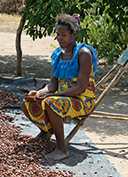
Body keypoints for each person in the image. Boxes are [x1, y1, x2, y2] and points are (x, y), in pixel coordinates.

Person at [21, 14, 98, 161]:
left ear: (74, 34)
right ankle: (45, 131)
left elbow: (81, 88)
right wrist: (39, 92)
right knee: (27, 103)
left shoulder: (84, 54)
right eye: (57, 35)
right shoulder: (58, 55)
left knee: (51, 103)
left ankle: (62, 149)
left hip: (81, 100)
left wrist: (51, 96)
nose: (59, 38)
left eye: (64, 35)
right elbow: (52, 85)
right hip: (62, 96)